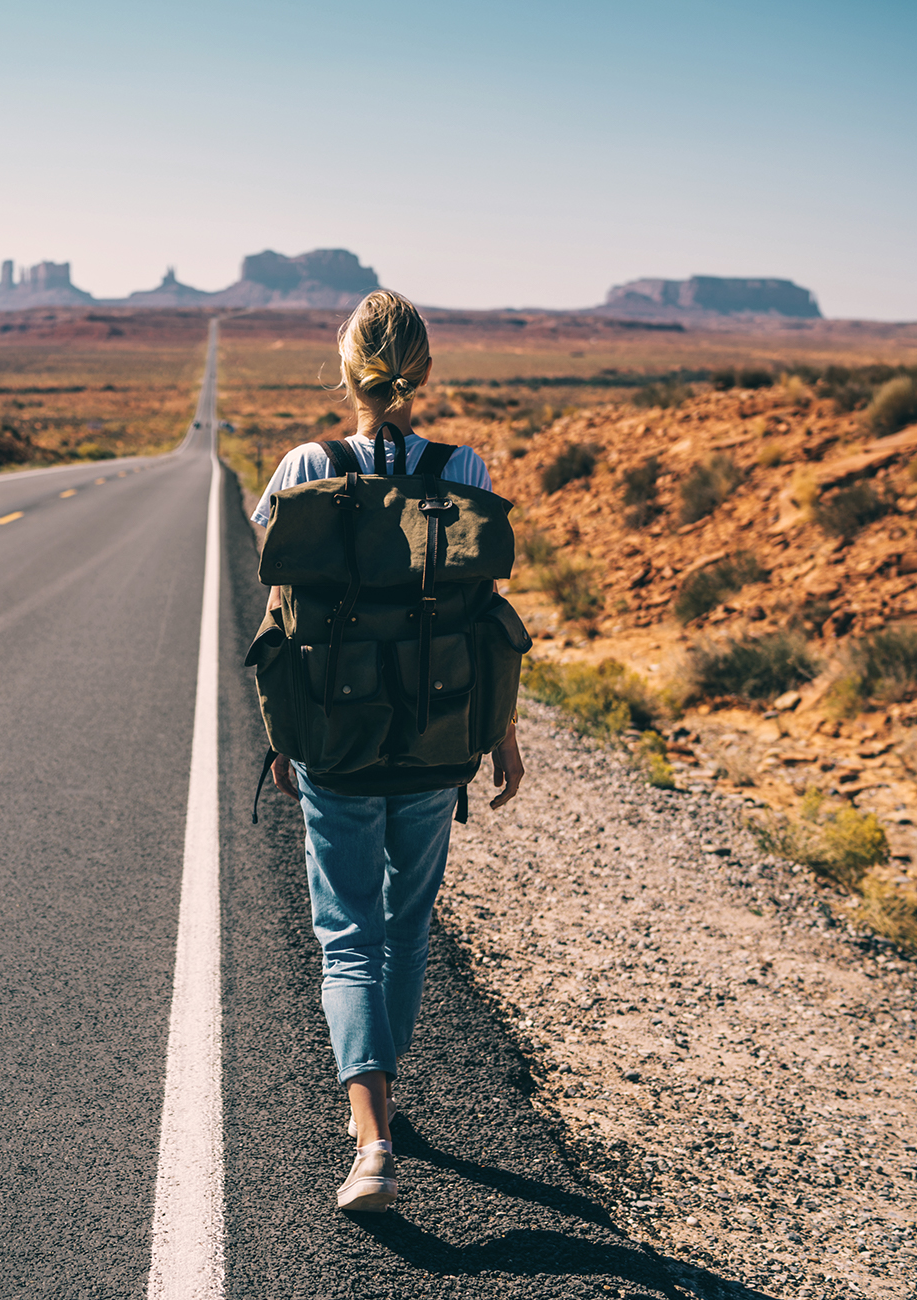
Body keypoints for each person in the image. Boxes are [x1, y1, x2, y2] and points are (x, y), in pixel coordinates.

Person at [250, 289, 528, 1212]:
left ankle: (370, 1137)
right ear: (425, 373)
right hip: (437, 736)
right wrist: (503, 735)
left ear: (346, 370)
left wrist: (281, 736)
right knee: (407, 926)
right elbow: (487, 621)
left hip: (333, 736)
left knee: (347, 938)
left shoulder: (304, 465)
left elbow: (280, 617)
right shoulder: (465, 467)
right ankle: (382, 1092)